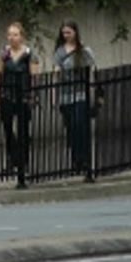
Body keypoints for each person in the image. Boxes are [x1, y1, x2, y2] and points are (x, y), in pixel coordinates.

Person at [50, 20, 96, 175]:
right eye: (64, 33)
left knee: (81, 126)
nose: (66, 35)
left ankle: (85, 159)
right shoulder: (60, 51)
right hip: (66, 95)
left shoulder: (84, 50)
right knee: (71, 129)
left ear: (75, 32)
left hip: (81, 94)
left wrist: (92, 92)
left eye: (68, 32)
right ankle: (76, 160)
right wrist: (53, 96)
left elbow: (90, 72)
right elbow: (55, 74)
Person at [0, 21, 39, 176]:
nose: (11, 38)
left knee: (23, 131)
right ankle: (11, 159)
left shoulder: (29, 54)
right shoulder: (4, 53)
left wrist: (33, 95)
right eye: (9, 34)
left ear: (21, 36)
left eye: (15, 34)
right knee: (8, 130)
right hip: (7, 95)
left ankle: (23, 162)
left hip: (23, 96)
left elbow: (34, 76)